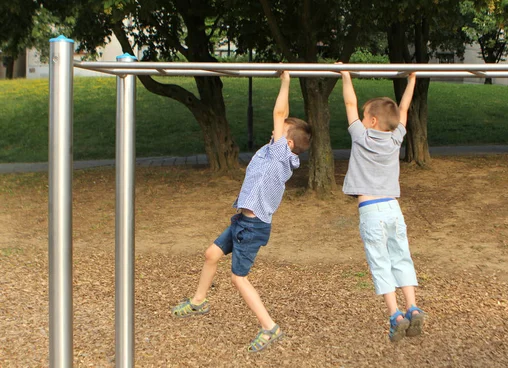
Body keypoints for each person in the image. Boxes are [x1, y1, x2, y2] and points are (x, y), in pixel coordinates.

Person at [171, 71, 311, 352]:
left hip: (253, 226)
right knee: (211, 254)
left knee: (238, 278)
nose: (275, 130)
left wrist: (285, 80)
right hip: (242, 221)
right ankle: (199, 301)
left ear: (290, 143)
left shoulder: (282, 155)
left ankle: (270, 327)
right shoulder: (273, 151)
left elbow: (280, 110)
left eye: (280, 130)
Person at [339, 68, 425, 341]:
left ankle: (395, 314)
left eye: (364, 118)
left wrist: (345, 75)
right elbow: (404, 108)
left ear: (372, 120)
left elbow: (350, 103)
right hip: (393, 209)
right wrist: (411, 81)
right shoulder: (396, 137)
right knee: (401, 257)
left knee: (380, 263)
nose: (360, 120)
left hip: (371, 212)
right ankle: (412, 306)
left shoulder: (361, 137)